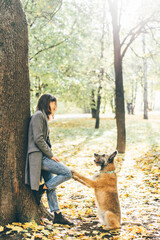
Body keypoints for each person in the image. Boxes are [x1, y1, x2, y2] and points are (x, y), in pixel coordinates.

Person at [25, 93, 73, 225]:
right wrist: (51, 155)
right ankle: (42, 189)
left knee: (52, 184)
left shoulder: (43, 117)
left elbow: (45, 140)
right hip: (39, 157)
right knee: (67, 173)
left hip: (44, 155)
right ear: (46, 103)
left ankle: (57, 215)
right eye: (52, 103)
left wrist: (50, 154)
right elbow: (38, 139)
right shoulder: (38, 116)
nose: (54, 106)